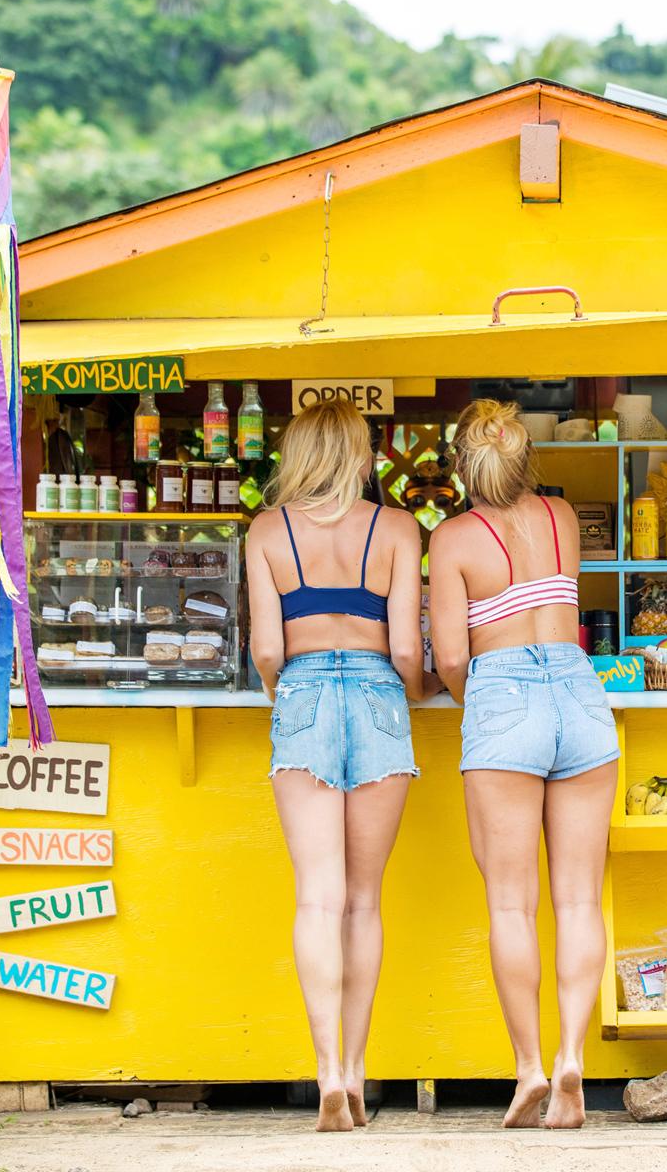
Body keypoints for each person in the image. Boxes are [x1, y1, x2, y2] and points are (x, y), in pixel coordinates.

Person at [428, 399, 620, 1129]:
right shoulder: (562, 519)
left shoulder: (451, 541)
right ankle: (573, 1055)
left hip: (503, 690)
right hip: (577, 689)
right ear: (522, 456)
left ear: (460, 464)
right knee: (577, 900)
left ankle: (531, 1067)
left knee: (512, 904)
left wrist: (477, 699)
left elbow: (450, 655)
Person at [246, 398, 430, 1132]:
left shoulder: (267, 532)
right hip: (381, 695)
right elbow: (409, 649)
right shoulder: (397, 529)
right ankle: (355, 1071)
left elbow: (266, 649)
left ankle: (324, 1071)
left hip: (304, 694)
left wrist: (286, 691)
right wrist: (408, 691)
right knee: (364, 900)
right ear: (360, 456)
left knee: (316, 899)